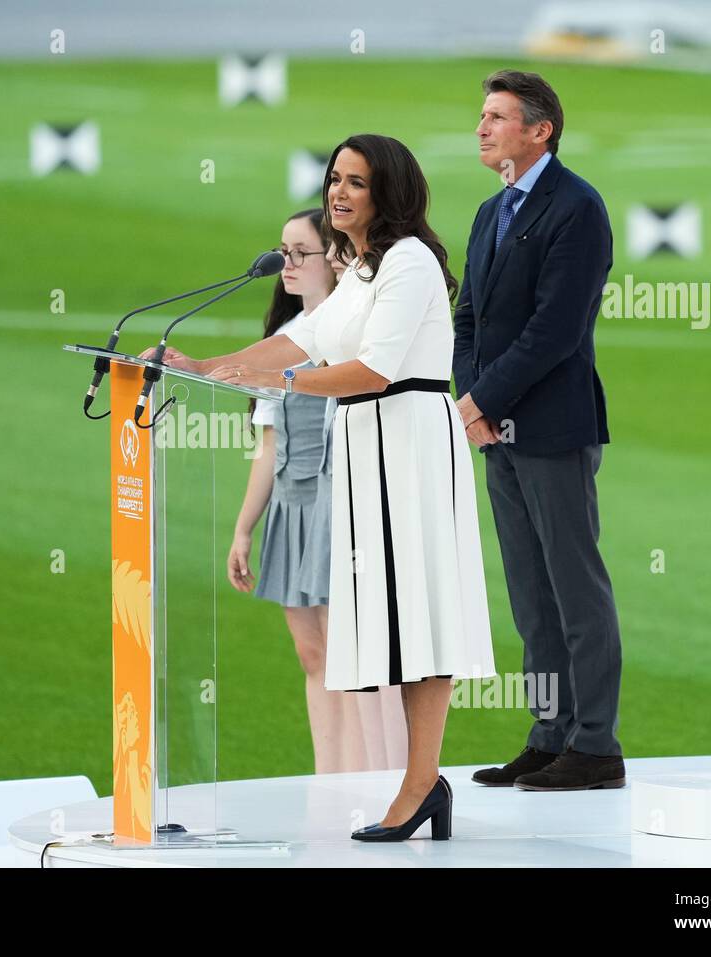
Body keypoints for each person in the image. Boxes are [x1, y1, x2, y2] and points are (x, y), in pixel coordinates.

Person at [145, 134, 496, 841]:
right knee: (400, 622)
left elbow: (374, 369)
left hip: (410, 443)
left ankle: (421, 783)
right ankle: (422, 783)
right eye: (334, 179)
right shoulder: (362, 269)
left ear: (387, 192)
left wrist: (273, 379)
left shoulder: (408, 261)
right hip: (368, 446)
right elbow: (303, 339)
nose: (338, 192)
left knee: (419, 618)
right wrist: (213, 365)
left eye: (355, 182)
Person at [452, 70, 624, 791]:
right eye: (482, 115)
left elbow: (555, 331)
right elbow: (470, 321)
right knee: (530, 591)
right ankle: (550, 731)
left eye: (496, 116)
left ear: (540, 129)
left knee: (573, 588)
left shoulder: (576, 209)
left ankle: (595, 745)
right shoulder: (492, 210)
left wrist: (478, 401)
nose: (483, 127)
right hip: (500, 431)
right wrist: (475, 397)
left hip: (552, 427)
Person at [230, 207, 407, 775]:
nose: (288, 263)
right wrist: (242, 527)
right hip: (292, 502)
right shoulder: (283, 339)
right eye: (283, 251)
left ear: (335, 262)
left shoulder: (348, 331)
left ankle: (374, 779)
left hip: (339, 501)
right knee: (314, 655)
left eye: (301, 252)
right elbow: (269, 445)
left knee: (349, 654)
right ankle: (329, 778)